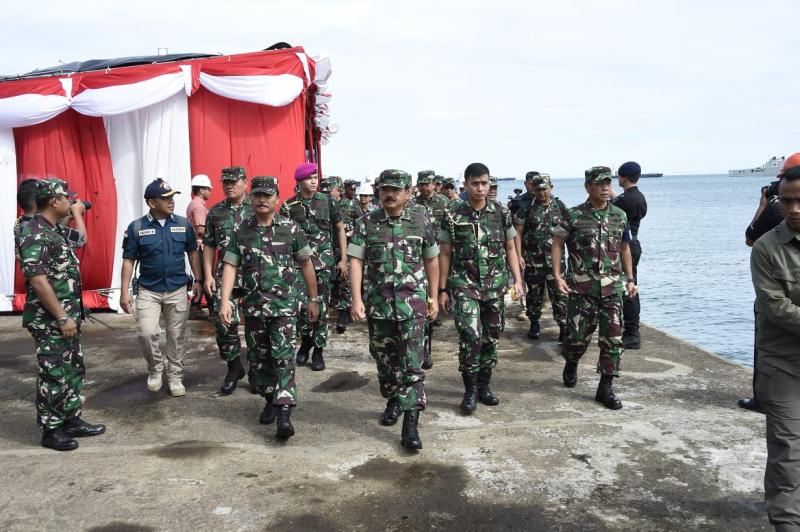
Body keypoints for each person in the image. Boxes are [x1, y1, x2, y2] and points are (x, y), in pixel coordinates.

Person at [218, 177, 320, 441]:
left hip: (284, 308)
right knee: (259, 360)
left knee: (283, 357)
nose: (262, 200)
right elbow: (230, 265)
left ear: (277, 198)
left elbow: (306, 264)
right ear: (251, 198)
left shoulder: (291, 229)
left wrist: (313, 298)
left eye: (268, 195)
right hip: (254, 309)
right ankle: (270, 398)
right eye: (258, 195)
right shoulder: (242, 232)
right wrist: (225, 301)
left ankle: (285, 411)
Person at [348, 169, 439, 450]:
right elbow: (355, 262)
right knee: (385, 364)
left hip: (413, 307)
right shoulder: (366, 223)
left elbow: (432, 260)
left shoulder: (422, 221)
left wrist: (434, 297)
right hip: (379, 307)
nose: (390, 194)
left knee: (412, 367)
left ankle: (410, 425)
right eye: (385, 188)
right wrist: (356, 299)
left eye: (396, 189)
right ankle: (393, 399)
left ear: (408, 193)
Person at [18, 178, 105, 451]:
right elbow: (38, 280)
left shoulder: (54, 230)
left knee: (73, 369)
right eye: (66, 198)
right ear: (54, 201)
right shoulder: (34, 232)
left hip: (68, 317)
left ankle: (70, 419)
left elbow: (79, 242)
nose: (70, 201)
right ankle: (51, 429)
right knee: (54, 373)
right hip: (51, 320)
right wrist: (61, 317)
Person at [438, 163, 524, 414]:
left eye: (484, 183)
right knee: (470, 336)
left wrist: (517, 281)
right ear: (465, 184)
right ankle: (470, 390)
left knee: (492, 336)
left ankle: (485, 386)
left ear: (489, 184)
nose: (480, 188)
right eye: (475, 183)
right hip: (465, 284)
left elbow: (510, 248)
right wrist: (443, 290)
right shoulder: (453, 214)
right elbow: (444, 253)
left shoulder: (501, 212)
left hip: (495, 286)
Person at [551, 166, 637, 410]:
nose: (605, 188)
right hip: (582, 291)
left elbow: (624, 248)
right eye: (599, 184)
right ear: (588, 187)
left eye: (608, 183)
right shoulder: (574, 215)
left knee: (613, 340)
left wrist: (630, 279)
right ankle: (572, 362)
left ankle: (605, 388)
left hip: (613, 290)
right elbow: (557, 244)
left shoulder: (620, 215)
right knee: (577, 338)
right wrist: (558, 276)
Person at [750, 164, 800, 530]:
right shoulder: (767, 248)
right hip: (784, 365)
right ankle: (786, 523)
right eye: (787, 201)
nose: (794, 209)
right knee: (787, 450)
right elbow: (774, 306)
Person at [120, 179, 203, 397]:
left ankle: (175, 377)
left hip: (177, 289)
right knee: (147, 333)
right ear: (151, 202)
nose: (171, 202)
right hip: (149, 290)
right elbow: (128, 260)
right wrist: (124, 291)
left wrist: (199, 280)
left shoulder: (184, 225)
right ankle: (155, 370)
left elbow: (193, 253)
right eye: (165, 198)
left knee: (176, 336)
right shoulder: (137, 227)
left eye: (172, 197)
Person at [740, 153, 800, 414]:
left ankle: (760, 398)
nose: (794, 208)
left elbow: (750, 236)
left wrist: (763, 205)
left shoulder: (775, 206)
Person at [280, 163, 347, 371]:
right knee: (301, 307)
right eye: (309, 178)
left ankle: (318, 350)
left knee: (322, 306)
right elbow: (284, 237)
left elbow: (339, 229)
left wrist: (343, 258)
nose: (313, 181)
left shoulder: (328, 202)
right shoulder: (289, 206)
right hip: (299, 265)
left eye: (315, 177)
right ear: (299, 181)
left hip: (324, 264)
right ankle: (306, 340)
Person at [203, 166, 258, 395]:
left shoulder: (258, 207)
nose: (228, 186)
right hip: (226, 276)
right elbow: (208, 245)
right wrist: (206, 275)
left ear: (245, 182)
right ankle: (234, 366)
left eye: (233, 182)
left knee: (257, 325)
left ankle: (257, 369)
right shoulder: (216, 212)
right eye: (225, 182)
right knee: (224, 323)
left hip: (256, 274)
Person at [513, 173, 569, 341]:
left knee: (560, 295)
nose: (541, 193)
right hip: (533, 261)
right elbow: (517, 232)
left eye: (544, 189)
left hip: (556, 263)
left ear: (551, 188)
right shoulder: (527, 207)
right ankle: (535, 322)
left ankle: (563, 326)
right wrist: (518, 255)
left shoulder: (560, 206)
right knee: (534, 296)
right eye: (538, 190)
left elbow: (570, 231)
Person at [414, 169, 450, 367]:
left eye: (427, 183)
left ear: (434, 183)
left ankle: (426, 350)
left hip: (436, 258)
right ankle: (420, 348)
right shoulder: (413, 204)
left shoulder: (444, 203)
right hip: (418, 260)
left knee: (430, 302)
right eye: (421, 184)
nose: (424, 187)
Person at [610, 161, 648, 349]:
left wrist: (610, 196)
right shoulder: (638, 197)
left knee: (629, 289)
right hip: (634, 243)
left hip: (625, 246)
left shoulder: (625, 200)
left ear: (623, 177)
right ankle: (630, 330)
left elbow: (615, 206)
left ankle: (632, 333)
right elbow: (622, 201)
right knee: (630, 286)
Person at [322, 176, 354, 334]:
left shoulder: (346, 204)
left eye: (330, 190)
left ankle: (343, 314)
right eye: (325, 190)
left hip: (345, 244)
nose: (327, 193)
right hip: (328, 246)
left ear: (339, 190)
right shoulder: (322, 204)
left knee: (343, 280)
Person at [187, 174, 212, 315]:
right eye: (208, 189)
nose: (210, 192)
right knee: (203, 276)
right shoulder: (199, 206)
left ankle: (196, 306)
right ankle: (206, 307)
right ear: (202, 190)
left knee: (201, 277)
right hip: (200, 246)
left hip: (195, 246)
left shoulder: (193, 204)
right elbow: (201, 229)